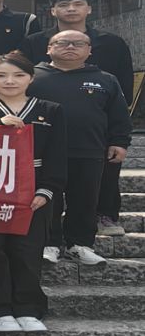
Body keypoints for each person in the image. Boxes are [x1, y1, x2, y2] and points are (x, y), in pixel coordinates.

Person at [0, 52, 67, 332]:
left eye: (19, 75)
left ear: (31, 78)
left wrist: (47, 189)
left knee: (28, 250)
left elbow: (58, 153)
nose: (10, 81)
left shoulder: (51, 110)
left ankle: (28, 308)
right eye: (1, 75)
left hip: (33, 187)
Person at [21, 0, 134, 237]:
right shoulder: (34, 42)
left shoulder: (112, 44)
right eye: (63, 5)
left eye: (77, 4)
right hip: (44, 135)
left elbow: (122, 88)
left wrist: (119, 138)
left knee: (100, 179)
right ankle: (48, 238)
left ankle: (103, 217)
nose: (71, 9)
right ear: (52, 11)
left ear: (89, 9)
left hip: (94, 127)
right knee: (45, 184)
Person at [29, 30, 131, 267]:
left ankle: (80, 244)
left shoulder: (105, 79)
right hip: (42, 151)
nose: (70, 47)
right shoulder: (32, 76)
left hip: (89, 149)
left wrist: (119, 142)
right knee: (47, 199)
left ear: (89, 50)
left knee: (85, 200)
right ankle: (49, 243)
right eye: (62, 43)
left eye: (78, 43)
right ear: (49, 48)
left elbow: (118, 114)